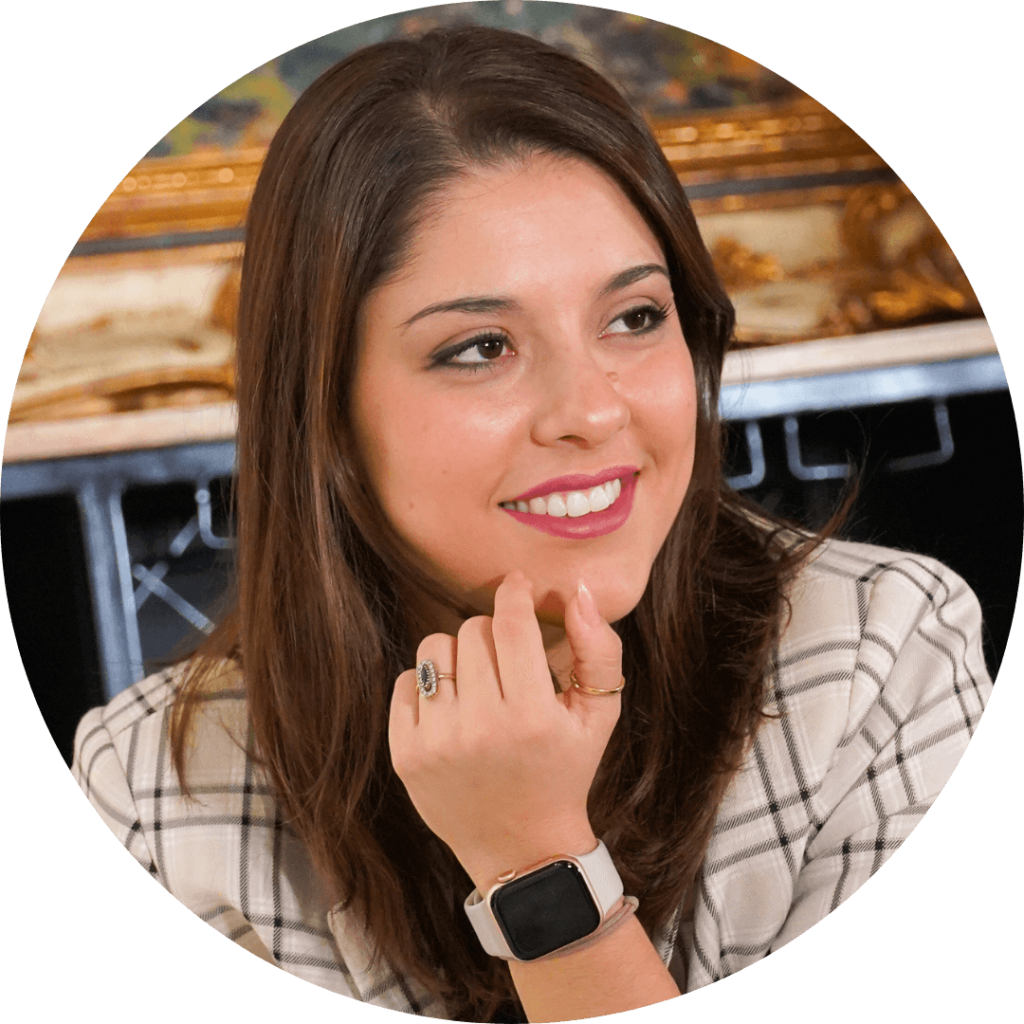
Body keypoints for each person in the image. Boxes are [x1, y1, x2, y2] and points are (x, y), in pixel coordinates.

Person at [71, 26, 993, 1023]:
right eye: (481, 346)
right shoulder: (155, 790)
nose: (591, 410)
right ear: (325, 410)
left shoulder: (880, 655)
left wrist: (535, 862)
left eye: (634, 317)